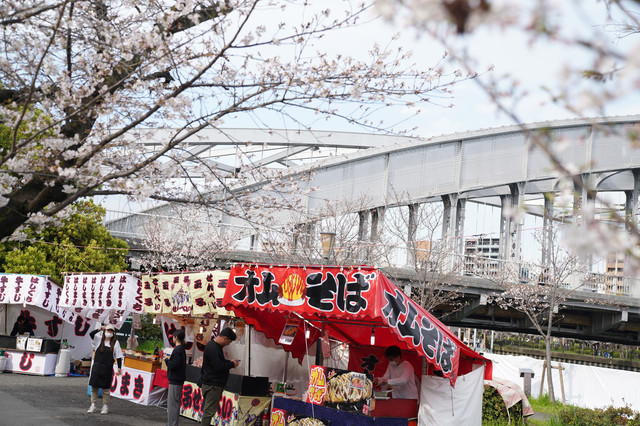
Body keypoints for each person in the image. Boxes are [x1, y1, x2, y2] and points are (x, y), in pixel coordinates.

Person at [201, 327, 240, 426]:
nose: (228, 344)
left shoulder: (213, 345)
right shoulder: (214, 348)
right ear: (225, 338)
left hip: (210, 382)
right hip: (213, 384)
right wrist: (231, 364)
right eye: (229, 342)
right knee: (209, 411)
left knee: (209, 409)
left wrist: (229, 362)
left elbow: (218, 362)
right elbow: (218, 366)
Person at [87, 324, 123, 415]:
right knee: (94, 387)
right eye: (107, 331)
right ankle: (93, 405)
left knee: (106, 389)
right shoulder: (99, 340)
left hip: (107, 368)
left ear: (113, 333)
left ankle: (105, 406)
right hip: (97, 367)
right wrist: (99, 329)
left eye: (111, 331)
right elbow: (91, 334)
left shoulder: (115, 343)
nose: (109, 333)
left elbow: (119, 356)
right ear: (104, 331)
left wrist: (119, 368)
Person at [164, 329, 187, 426]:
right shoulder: (181, 349)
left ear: (176, 338)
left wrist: (166, 360)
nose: (172, 338)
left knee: (172, 404)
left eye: (173, 337)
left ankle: (172, 424)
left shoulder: (178, 350)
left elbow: (174, 365)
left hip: (175, 379)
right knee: (174, 403)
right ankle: (172, 423)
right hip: (178, 379)